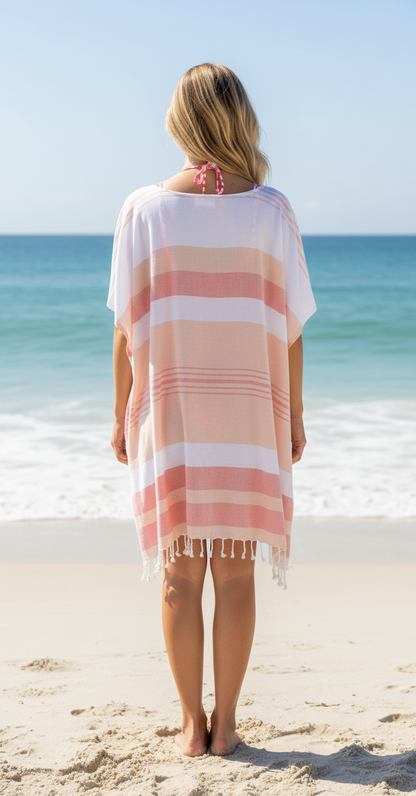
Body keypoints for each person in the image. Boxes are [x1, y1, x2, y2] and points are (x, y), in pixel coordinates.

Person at [108, 63, 316, 759]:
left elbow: (125, 329)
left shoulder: (140, 209)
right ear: (239, 116)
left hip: (170, 411)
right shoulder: (273, 209)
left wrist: (119, 414)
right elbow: (289, 327)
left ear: (179, 120)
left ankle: (191, 729)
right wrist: (294, 416)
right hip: (248, 412)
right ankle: (227, 725)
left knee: (179, 572)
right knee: (235, 571)